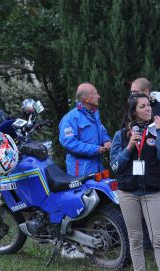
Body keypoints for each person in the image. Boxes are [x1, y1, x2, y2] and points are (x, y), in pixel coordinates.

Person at [110, 93, 160, 271]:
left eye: (148, 106)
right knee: (135, 239)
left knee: (158, 239)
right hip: (128, 193)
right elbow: (115, 165)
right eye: (143, 106)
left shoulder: (155, 131)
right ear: (134, 111)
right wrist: (130, 147)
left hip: (150, 192)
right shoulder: (120, 135)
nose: (148, 109)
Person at [58, 82, 112, 258]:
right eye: (96, 93)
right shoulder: (70, 118)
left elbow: (102, 132)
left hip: (96, 170)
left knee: (93, 207)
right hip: (79, 173)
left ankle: (90, 244)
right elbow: (69, 143)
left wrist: (107, 141)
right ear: (87, 98)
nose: (99, 96)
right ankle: (66, 245)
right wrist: (95, 149)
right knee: (77, 208)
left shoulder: (94, 114)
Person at [129, 77, 160, 255]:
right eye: (131, 93)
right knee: (138, 203)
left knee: (157, 203)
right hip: (136, 163)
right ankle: (147, 244)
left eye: (135, 92)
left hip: (154, 162)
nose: (132, 96)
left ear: (147, 93)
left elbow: (152, 128)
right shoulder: (131, 108)